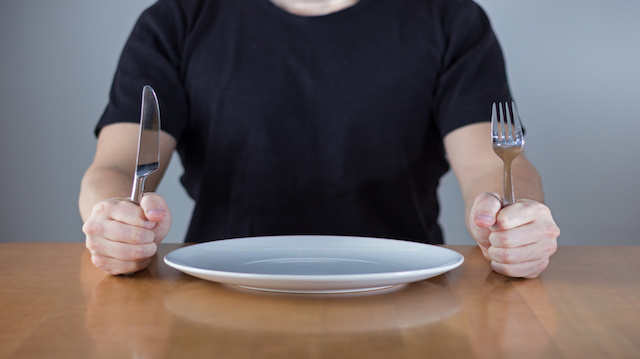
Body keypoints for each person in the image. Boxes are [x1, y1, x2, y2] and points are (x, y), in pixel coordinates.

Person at [80, 0, 560, 278]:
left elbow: (489, 165)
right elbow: (119, 167)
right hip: (217, 287)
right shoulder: (178, 18)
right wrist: (114, 221)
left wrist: (517, 224)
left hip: (406, 292)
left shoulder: (450, 17)